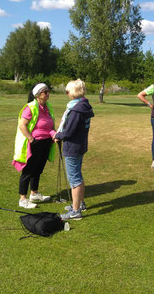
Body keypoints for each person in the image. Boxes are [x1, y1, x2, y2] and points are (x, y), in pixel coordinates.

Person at [13, 83, 57, 209]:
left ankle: (34, 193)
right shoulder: (30, 107)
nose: (48, 94)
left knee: (38, 169)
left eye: (48, 91)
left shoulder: (47, 106)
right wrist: (31, 139)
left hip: (46, 142)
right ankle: (22, 198)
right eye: (45, 92)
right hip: (35, 143)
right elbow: (22, 125)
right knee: (28, 170)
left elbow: (49, 125)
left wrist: (53, 133)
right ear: (38, 95)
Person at [55, 79, 94, 221]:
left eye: (68, 90)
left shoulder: (76, 109)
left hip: (73, 147)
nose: (66, 93)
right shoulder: (83, 106)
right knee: (77, 176)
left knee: (75, 179)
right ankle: (79, 203)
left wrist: (58, 135)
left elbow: (68, 131)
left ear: (75, 91)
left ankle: (76, 211)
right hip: (79, 145)